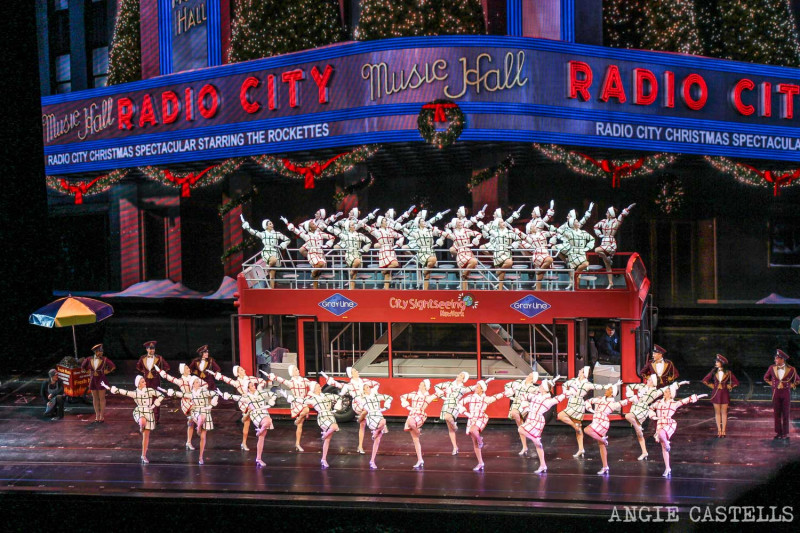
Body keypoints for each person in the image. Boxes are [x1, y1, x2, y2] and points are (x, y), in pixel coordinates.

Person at [648, 383, 707, 477]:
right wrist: (653, 415)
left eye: (667, 392)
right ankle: (667, 467)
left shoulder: (673, 403)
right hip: (660, 423)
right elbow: (650, 408)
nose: (665, 393)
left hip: (668, 423)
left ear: (671, 394)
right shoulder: (658, 402)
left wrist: (698, 396)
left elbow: (685, 400)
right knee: (662, 444)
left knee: (661, 433)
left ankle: (667, 444)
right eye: (665, 391)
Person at [626, 375, 690, 460]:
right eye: (648, 379)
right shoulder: (641, 386)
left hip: (643, 409)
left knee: (628, 416)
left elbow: (670, 387)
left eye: (650, 380)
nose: (648, 380)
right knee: (639, 434)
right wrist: (632, 397)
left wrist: (682, 383)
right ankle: (644, 452)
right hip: (635, 406)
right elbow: (629, 386)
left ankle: (637, 427)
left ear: (654, 382)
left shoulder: (655, 392)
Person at [102, 376, 164, 464]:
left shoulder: (150, 390)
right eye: (143, 382)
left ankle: (143, 455)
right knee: (142, 421)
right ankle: (141, 424)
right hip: (140, 411)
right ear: (138, 384)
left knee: (146, 436)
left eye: (144, 381)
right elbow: (124, 392)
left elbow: (161, 395)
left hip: (148, 412)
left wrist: (154, 405)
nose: (145, 383)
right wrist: (110, 388)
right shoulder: (135, 393)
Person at [518, 376, 572, 474]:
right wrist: (526, 406)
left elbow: (559, 398)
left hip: (537, 420)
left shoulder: (548, 400)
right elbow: (523, 396)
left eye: (541, 385)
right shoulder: (536, 395)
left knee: (521, 429)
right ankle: (543, 465)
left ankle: (535, 439)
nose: (539, 386)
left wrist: (568, 392)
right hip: (530, 417)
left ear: (544, 388)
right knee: (537, 445)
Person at [167, 377, 221, 465]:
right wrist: (172, 392)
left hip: (205, 411)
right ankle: (198, 427)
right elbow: (181, 394)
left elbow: (215, 393)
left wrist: (212, 403)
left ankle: (200, 457)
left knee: (203, 437)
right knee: (201, 417)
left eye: (198, 382)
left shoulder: (204, 391)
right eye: (196, 382)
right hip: (196, 412)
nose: (198, 383)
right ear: (192, 384)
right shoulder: (191, 394)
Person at [325, 367, 377, 454]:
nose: (357, 371)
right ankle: (369, 422)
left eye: (356, 370)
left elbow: (376, 384)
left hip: (365, 402)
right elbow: (340, 386)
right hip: (357, 404)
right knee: (368, 411)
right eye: (355, 371)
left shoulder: (363, 381)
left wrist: (372, 392)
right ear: (351, 375)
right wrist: (331, 381)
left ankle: (360, 446)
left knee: (363, 425)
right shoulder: (349, 385)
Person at [230, 380, 282, 467]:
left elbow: (273, 394)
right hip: (255, 414)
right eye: (252, 386)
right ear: (248, 389)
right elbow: (235, 397)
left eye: (254, 385)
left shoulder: (260, 393)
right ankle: (259, 431)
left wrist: (271, 400)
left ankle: (258, 458)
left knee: (262, 436)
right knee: (268, 421)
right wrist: (224, 395)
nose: (254, 386)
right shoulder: (246, 397)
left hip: (264, 412)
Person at [216, 365, 267, 451]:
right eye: (241, 370)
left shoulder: (250, 378)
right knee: (247, 423)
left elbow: (261, 381)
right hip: (245, 402)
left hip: (254, 400)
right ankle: (244, 443)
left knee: (260, 419)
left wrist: (259, 388)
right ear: (238, 373)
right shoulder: (237, 382)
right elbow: (228, 380)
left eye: (242, 369)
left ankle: (260, 439)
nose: (243, 370)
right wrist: (219, 376)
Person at [583, 382, 630, 475]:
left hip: (602, 422)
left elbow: (625, 402)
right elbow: (587, 401)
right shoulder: (600, 399)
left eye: (609, 390)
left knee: (587, 430)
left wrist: (636, 397)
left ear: (612, 394)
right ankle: (605, 467)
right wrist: (590, 408)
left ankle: (604, 440)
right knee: (601, 445)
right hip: (596, 421)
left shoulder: (612, 403)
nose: (606, 390)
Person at [458, 380, 505, 471]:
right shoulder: (470, 397)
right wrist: (466, 413)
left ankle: (481, 441)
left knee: (473, 430)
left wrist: (506, 392)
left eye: (477, 387)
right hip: (472, 418)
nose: (475, 388)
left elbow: (496, 397)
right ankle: (480, 463)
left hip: (480, 418)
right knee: (474, 442)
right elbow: (459, 403)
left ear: (482, 389)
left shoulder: (486, 399)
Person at [557, 367, 604, 458]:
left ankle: (576, 430)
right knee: (578, 428)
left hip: (578, 405)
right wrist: (566, 392)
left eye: (581, 370)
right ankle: (581, 449)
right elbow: (564, 384)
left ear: (584, 373)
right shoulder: (574, 380)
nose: (578, 370)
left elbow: (599, 386)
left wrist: (612, 385)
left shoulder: (587, 384)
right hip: (571, 402)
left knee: (561, 415)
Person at [270, 365, 317, 451]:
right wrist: (274, 377)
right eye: (296, 369)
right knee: (304, 416)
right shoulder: (291, 382)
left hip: (303, 401)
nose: (298, 370)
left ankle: (297, 440)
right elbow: (282, 380)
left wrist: (313, 390)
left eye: (297, 369)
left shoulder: (304, 380)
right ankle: (297, 442)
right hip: (296, 402)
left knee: (302, 419)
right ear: (292, 372)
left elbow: (312, 385)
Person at [434, 371, 479, 455]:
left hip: (455, 405)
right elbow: (436, 386)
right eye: (459, 374)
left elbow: (474, 387)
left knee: (448, 417)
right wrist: (442, 396)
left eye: (461, 375)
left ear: (463, 379)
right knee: (450, 429)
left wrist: (485, 382)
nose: (458, 375)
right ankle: (455, 447)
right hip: (446, 404)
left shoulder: (463, 389)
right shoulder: (448, 384)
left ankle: (455, 425)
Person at [157, 362, 200, 450]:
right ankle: (199, 426)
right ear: (182, 371)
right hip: (186, 402)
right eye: (187, 368)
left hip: (195, 400)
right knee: (194, 416)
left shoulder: (193, 378)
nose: (189, 369)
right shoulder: (180, 381)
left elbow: (202, 385)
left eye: (188, 368)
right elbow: (169, 378)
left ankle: (188, 442)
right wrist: (160, 371)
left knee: (191, 423)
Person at [320, 218, 372, 290]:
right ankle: (351, 275)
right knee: (357, 262)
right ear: (349, 227)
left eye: (354, 224)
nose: (354, 226)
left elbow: (369, 242)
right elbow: (334, 231)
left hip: (357, 253)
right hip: (349, 254)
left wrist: (363, 249)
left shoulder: (360, 235)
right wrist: (326, 227)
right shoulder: (345, 235)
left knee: (354, 275)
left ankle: (351, 290)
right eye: (352, 225)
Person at [240, 215, 290, 288]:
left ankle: (271, 290)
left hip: (274, 252)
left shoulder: (277, 234)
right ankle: (267, 268)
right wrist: (245, 224)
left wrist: (282, 245)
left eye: (272, 223)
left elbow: (288, 240)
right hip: (267, 252)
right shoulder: (263, 234)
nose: (272, 225)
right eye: (270, 224)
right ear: (266, 226)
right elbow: (252, 232)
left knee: (272, 275)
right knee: (273, 260)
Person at [283, 217, 334, 289]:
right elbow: (295, 230)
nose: (315, 224)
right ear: (309, 228)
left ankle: (315, 290)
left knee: (318, 274)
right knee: (320, 264)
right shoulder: (306, 236)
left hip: (320, 254)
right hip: (312, 254)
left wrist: (327, 245)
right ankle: (313, 274)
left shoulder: (320, 233)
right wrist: (287, 223)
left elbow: (332, 237)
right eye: (313, 224)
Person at [594, 204, 635, 288]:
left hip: (610, 243)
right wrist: (599, 234)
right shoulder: (603, 221)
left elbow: (622, 215)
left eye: (607, 212)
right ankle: (611, 283)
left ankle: (608, 259)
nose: (606, 213)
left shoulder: (616, 221)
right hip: (604, 241)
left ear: (611, 214)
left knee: (596, 250)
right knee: (607, 265)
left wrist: (628, 208)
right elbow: (595, 227)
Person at [400, 379, 438, 469]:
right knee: (415, 440)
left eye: (421, 384)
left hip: (420, 415)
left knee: (410, 422)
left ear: (425, 386)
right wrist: (408, 406)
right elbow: (402, 396)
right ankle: (420, 459)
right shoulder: (414, 394)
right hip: (412, 414)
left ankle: (418, 431)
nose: (419, 386)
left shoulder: (428, 396)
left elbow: (438, 393)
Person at [353, 382, 392, 469]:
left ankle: (372, 461)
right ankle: (375, 433)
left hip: (379, 415)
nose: (369, 388)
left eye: (369, 387)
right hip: (371, 418)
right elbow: (355, 401)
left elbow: (389, 397)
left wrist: (385, 407)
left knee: (377, 440)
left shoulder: (376, 396)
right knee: (383, 421)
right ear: (363, 390)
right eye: (367, 387)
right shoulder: (362, 399)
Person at [304, 382, 342, 468]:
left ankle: (323, 459)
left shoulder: (326, 395)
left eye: (319, 386)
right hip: (322, 417)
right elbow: (302, 401)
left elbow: (338, 397)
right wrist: (289, 398)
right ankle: (324, 435)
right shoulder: (312, 398)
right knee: (334, 427)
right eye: (318, 386)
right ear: (314, 389)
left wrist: (337, 406)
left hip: (330, 416)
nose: (320, 387)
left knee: (328, 439)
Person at [763, 349, 799, 440]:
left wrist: (790, 385)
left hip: (786, 392)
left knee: (786, 413)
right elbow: (766, 378)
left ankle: (785, 433)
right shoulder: (772, 368)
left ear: (782, 359)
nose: (775, 360)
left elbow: (797, 380)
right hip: (776, 393)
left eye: (777, 358)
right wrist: (773, 385)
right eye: (775, 358)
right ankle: (778, 432)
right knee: (777, 414)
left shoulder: (791, 369)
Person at [702, 354, 740, 438]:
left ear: (722, 363)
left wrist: (729, 386)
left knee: (724, 412)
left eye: (717, 362)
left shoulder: (728, 372)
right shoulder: (713, 371)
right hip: (716, 394)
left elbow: (736, 382)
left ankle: (724, 430)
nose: (716, 363)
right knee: (717, 412)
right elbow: (705, 380)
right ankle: (719, 430)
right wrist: (713, 386)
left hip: (724, 394)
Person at [504, 372, 540, 456]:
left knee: (515, 414)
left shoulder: (532, 387)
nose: (529, 374)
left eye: (531, 374)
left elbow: (537, 394)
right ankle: (524, 446)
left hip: (524, 405)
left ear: (533, 378)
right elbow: (507, 385)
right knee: (520, 427)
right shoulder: (519, 382)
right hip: (515, 403)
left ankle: (524, 431)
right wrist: (510, 394)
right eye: (529, 373)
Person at [440, 219, 483, 290]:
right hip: (460, 253)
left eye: (461, 222)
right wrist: (434, 230)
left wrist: (475, 240)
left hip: (468, 252)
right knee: (473, 261)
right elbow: (444, 233)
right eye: (459, 222)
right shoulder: (453, 234)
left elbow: (479, 234)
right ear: (455, 224)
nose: (461, 223)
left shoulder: (467, 231)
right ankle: (464, 276)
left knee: (467, 273)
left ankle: (464, 290)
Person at [80, 343, 115, 423]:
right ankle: (97, 415)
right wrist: (88, 372)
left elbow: (112, 366)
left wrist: (106, 371)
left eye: (102, 351)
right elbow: (82, 367)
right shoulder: (89, 359)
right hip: (93, 380)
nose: (101, 353)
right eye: (100, 351)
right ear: (96, 352)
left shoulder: (104, 359)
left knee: (102, 398)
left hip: (101, 380)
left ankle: (102, 416)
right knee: (95, 398)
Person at [135, 340, 170, 423]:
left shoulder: (159, 358)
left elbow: (167, 366)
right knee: (145, 397)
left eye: (153, 349)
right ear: (147, 349)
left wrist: (160, 372)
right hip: (145, 380)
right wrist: (145, 372)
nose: (152, 350)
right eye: (150, 349)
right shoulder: (142, 358)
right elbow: (138, 366)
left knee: (156, 398)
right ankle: (147, 416)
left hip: (155, 380)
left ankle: (156, 418)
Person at [367, 216, 404, 289]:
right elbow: (368, 227)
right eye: (384, 221)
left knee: (388, 271)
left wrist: (398, 244)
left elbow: (401, 236)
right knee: (394, 264)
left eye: (386, 221)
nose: (386, 222)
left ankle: (385, 286)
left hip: (391, 250)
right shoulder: (378, 232)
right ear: (380, 223)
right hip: (384, 250)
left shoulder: (390, 231)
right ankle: (386, 287)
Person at [593, 322, 621, 394]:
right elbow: (610, 351)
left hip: (613, 354)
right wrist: (621, 354)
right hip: (605, 357)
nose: (611, 332)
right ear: (606, 329)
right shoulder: (604, 339)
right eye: (609, 330)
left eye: (612, 330)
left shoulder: (616, 336)